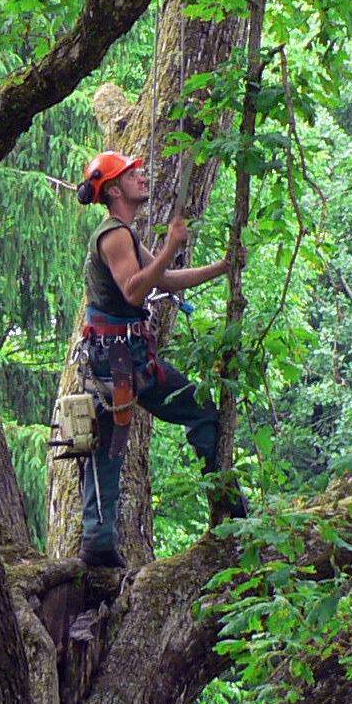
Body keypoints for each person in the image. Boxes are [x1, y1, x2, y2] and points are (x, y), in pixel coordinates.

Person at [72, 150, 234, 569]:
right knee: (111, 448)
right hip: (117, 361)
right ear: (113, 189)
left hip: (124, 358)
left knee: (114, 448)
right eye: (131, 173)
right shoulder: (114, 236)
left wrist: (222, 267)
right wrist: (171, 246)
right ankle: (99, 547)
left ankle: (100, 543)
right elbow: (134, 291)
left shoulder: (123, 233)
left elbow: (164, 279)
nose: (141, 176)